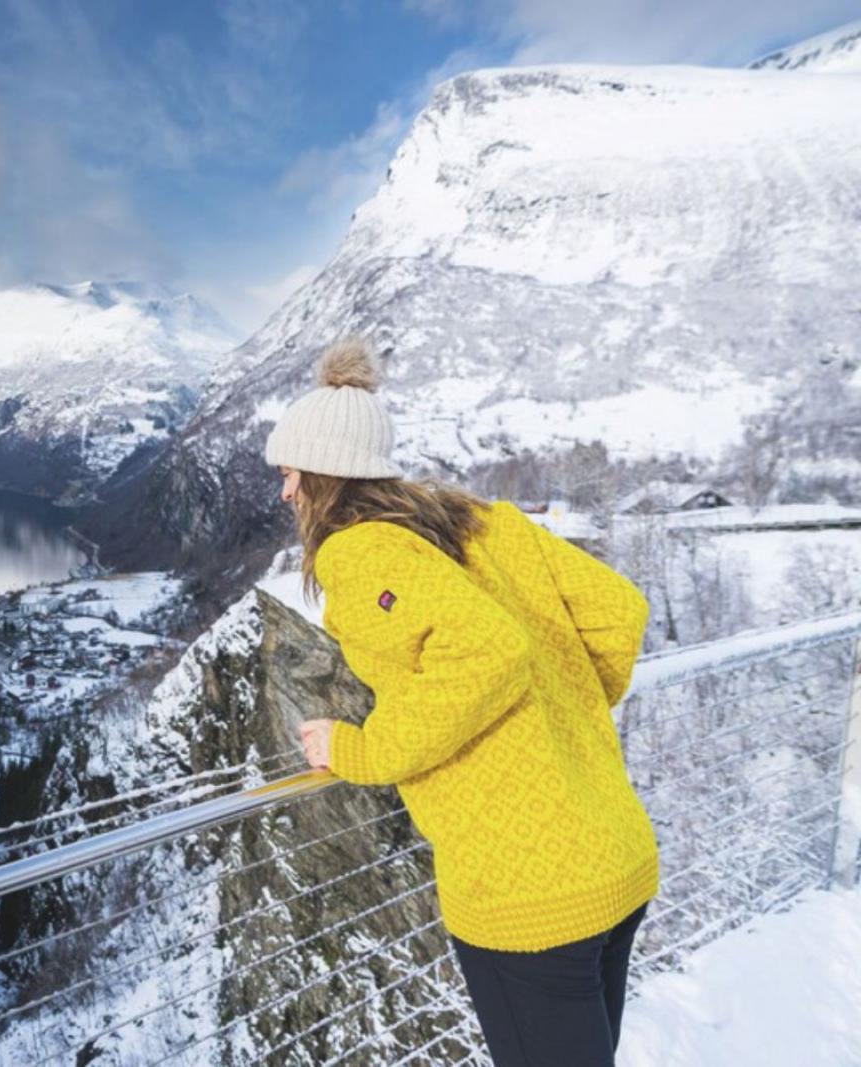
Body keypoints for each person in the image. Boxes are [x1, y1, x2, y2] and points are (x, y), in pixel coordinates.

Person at [264, 337, 659, 1067]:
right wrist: (560, 714)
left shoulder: (361, 555)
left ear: (325, 476)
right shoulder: (481, 523)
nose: (285, 492)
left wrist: (361, 748)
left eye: (290, 474)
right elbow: (618, 609)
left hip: (529, 893)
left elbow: (484, 648)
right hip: (614, 853)